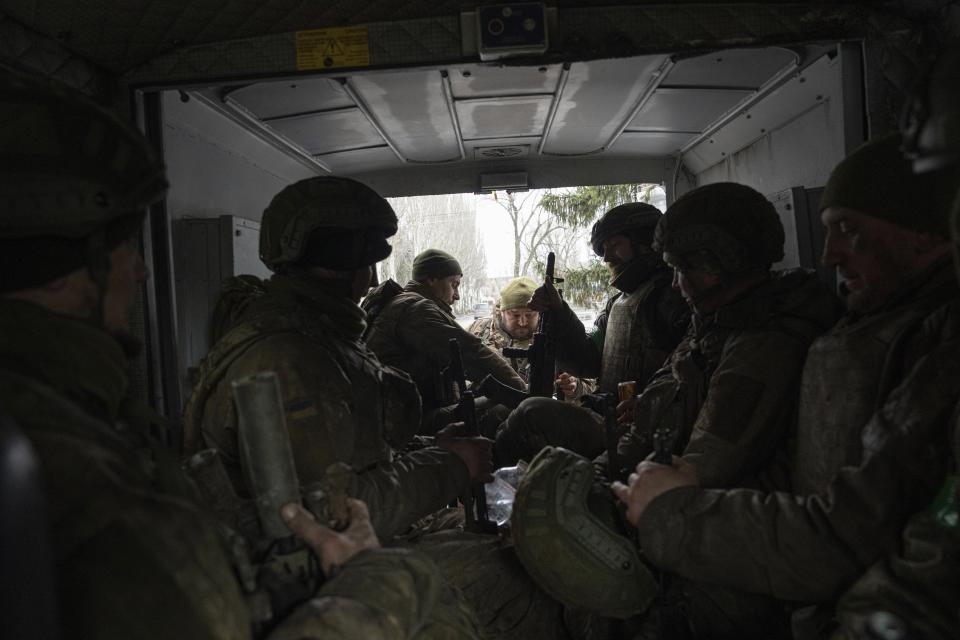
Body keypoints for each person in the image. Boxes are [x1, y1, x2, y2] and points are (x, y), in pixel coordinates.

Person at [0, 68, 479, 639]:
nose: (141, 268)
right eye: (126, 246)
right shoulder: (283, 355)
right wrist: (436, 493)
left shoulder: (74, 413)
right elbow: (323, 507)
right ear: (61, 268)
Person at [613, 132, 960, 638]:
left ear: (927, 232)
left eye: (848, 229)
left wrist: (672, 512)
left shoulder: (929, 348)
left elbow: (856, 530)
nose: (829, 255)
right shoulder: (862, 328)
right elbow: (808, 473)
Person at [185, 177, 493, 541]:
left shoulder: (319, 336)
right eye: (368, 262)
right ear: (344, 267)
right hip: (311, 573)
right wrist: (452, 466)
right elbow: (339, 516)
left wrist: (434, 449)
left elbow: (360, 454)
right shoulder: (289, 358)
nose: (373, 279)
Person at [613, 183, 840, 487]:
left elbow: (702, 470)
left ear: (722, 262)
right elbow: (678, 387)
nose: (676, 285)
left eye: (684, 268)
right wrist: (648, 405)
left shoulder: (766, 344)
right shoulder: (713, 322)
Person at [495, 202, 689, 466]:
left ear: (645, 242)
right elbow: (587, 361)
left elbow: (688, 378)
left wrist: (648, 405)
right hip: (609, 415)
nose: (607, 257)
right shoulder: (617, 303)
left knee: (531, 413)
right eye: (604, 249)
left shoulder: (671, 297)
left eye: (614, 245)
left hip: (642, 428)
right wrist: (559, 312)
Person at [365, 248, 526, 430]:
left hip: (402, 415)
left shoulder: (403, 304)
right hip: (407, 423)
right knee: (512, 408)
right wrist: (523, 391)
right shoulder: (415, 309)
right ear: (431, 279)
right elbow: (471, 354)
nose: (456, 296)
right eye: (454, 285)